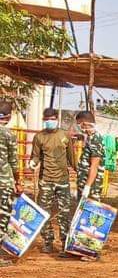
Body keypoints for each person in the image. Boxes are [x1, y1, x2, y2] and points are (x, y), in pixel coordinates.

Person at [29, 108, 76, 256]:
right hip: (46, 180)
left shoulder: (65, 135)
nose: (50, 121)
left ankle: (65, 244)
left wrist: (80, 172)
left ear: (57, 119)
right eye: (47, 119)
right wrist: (33, 162)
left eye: (52, 119)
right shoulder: (39, 137)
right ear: (44, 120)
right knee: (44, 212)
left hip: (63, 180)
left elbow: (72, 157)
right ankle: (47, 242)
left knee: (64, 213)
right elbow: (35, 156)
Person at [0, 99, 20, 266]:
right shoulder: (8, 135)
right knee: (2, 217)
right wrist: (18, 181)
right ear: (8, 116)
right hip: (4, 182)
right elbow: (14, 162)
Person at [75, 110, 104, 201]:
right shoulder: (89, 138)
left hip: (92, 186)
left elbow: (94, 166)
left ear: (84, 124)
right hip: (84, 182)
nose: (78, 127)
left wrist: (87, 187)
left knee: (89, 209)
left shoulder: (95, 139)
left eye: (78, 124)